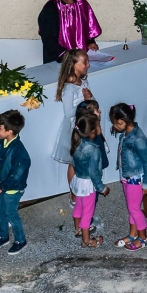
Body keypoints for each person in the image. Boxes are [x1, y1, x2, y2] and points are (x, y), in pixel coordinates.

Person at [0, 109, 31, 255]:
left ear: (9, 131)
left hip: (12, 190)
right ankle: (3, 236)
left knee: (11, 214)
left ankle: (20, 240)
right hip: (2, 187)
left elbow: (16, 175)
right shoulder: (1, 144)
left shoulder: (19, 151)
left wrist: (2, 187)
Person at [110, 103, 147, 251]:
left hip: (135, 178)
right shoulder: (126, 134)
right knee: (132, 208)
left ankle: (143, 237)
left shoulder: (138, 139)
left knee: (134, 208)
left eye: (115, 123)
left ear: (122, 121)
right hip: (127, 176)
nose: (114, 126)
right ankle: (132, 234)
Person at [53, 50, 94, 204]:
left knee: (85, 159)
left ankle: (85, 188)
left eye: (88, 61)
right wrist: (84, 102)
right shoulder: (69, 87)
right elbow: (69, 112)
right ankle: (73, 194)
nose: (88, 65)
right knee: (74, 162)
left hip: (86, 125)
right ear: (73, 64)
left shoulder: (83, 82)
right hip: (75, 129)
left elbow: (91, 100)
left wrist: (90, 101)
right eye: (84, 62)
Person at [38, 0, 102, 63]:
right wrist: (70, 56)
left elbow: (88, 26)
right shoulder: (50, 10)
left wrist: (90, 43)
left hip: (80, 59)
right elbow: (50, 42)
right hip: (59, 61)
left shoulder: (81, 3)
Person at [70, 113, 110, 248]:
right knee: (88, 212)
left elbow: (74, 165)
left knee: (78, 206)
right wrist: (102, 188)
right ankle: (87, 241)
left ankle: (77, 230)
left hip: (78, 181)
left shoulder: (76, 142)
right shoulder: (93, 150)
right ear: (93, 131)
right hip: (88, 185)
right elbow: (94, 173)